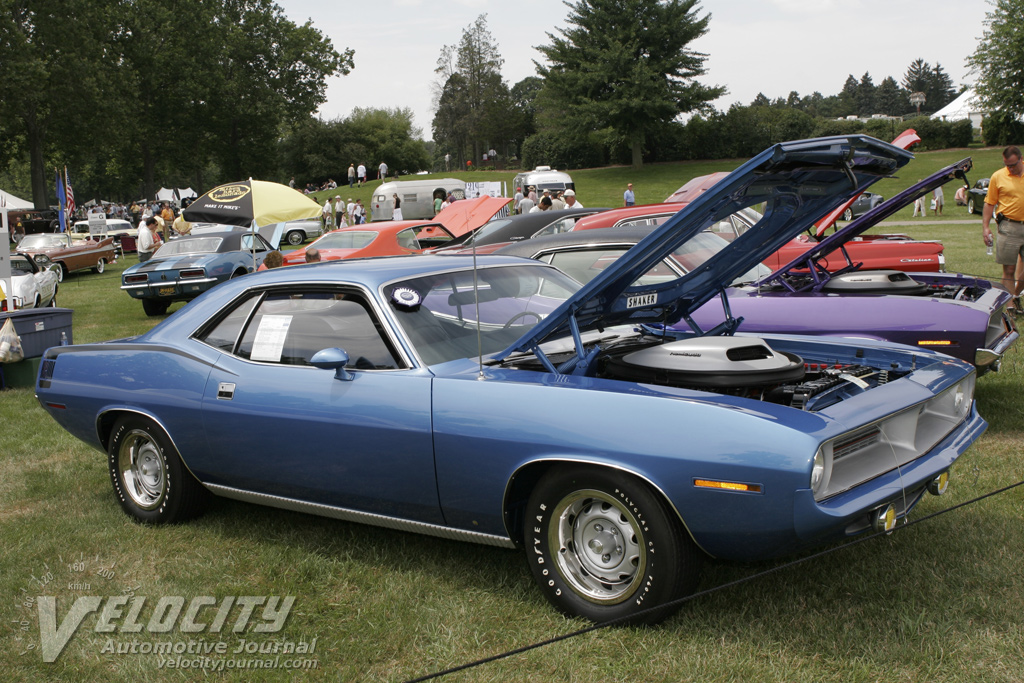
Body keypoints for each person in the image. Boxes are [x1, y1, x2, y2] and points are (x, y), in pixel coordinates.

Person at [982, 145, 1024, 305]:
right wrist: (985, 227)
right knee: (1009, 270)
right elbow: (989, 203)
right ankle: (1010, 307)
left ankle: (1015, 294)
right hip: (1008, 226)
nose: (1010, 168)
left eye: (1013, 165)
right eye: (1007, 165)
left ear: (1021, 159)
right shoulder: (998, 176)